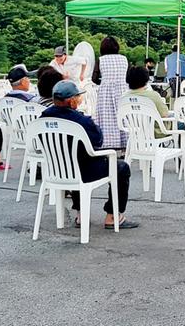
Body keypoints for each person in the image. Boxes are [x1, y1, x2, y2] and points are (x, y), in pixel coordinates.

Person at [41, 80, 138, 230]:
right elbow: (98, 141)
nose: (80, 99)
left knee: (73, 162)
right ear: (72, 100)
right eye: (78, 97)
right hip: (84, 171)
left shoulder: (43, 119)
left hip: (57, 171)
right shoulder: (81, 121)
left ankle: (80, 214)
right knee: (121, 168)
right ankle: (113, 216)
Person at [94, 36, 129, 150]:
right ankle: (125, 143)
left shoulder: (101, 60)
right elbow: (128, 77)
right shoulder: (124, 59)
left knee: (107, 118)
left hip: (106, 93)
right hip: (122, 90)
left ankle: (108, 144)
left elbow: (94, 78)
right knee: (122, 117)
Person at [125, 67, 170, 138]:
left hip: (134, 132)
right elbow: (164, 115)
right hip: (155, 132)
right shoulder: (153, 95)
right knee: (181, 124)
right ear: (146, 79)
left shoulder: (124, 97)